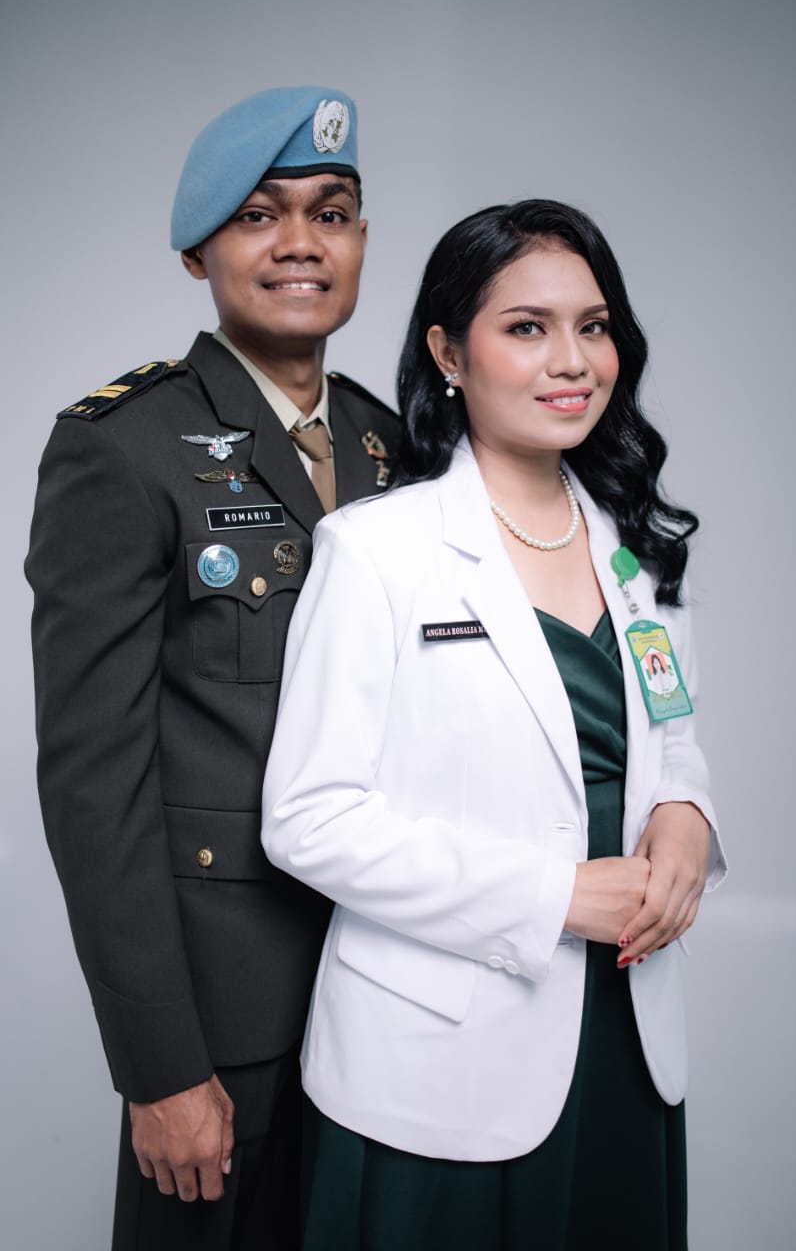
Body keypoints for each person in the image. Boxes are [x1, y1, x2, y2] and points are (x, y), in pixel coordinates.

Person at [261, 199, 727, 1249]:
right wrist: (551, 896)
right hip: (439, 1051)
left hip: (623, 1031)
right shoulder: (376, 550)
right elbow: (308, 817)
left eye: (592, 326)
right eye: (526, 327)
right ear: (447, 352)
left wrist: (687, 817)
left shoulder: (637, 548)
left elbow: (671, 739)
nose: (571, 361)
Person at [25, 86, 399, 1251]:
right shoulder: (122, 446)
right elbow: (93, 783)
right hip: (223, 1018)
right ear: (198, 252)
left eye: (328, 213)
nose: (299, 243)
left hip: (390, 990)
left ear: (360, 241)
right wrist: (160, 1064)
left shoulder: (395, 448)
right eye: (256, 215)